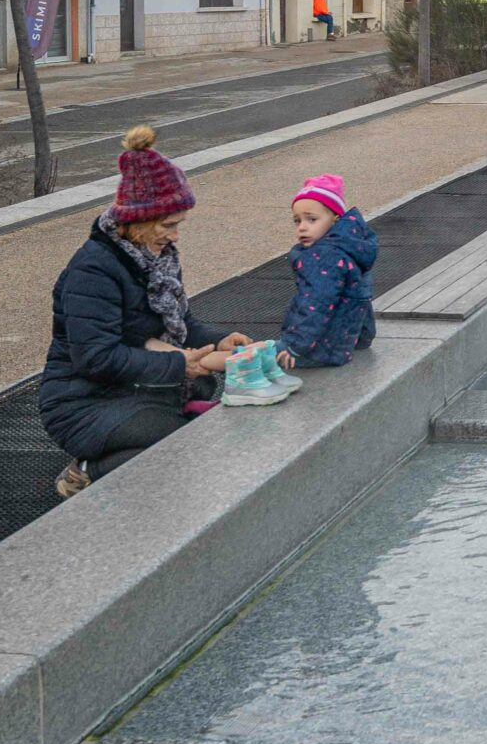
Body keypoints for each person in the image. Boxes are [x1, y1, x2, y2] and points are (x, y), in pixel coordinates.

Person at [40, 125, 250, 496]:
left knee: (200, 418)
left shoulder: (158, 258)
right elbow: (95, 357)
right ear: (140, 220)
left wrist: (221, 341)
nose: (175, 235)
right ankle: (89, 469)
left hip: (134, 388)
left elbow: (182, 324)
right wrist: (177, 365)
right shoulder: (92, 271)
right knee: (178, 442)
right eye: (168, 225)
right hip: (83, 401)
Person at [277, 172, 381, 365]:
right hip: (343, 342)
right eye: (297, 220)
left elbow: (316, 303)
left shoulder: (323, 257)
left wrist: (294, 345)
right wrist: (363, 337)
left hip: (318, 348)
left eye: (311, 219)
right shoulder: (350, 247)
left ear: (334, 219)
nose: (302, 227)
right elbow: (361, 297)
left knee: (251, 356)